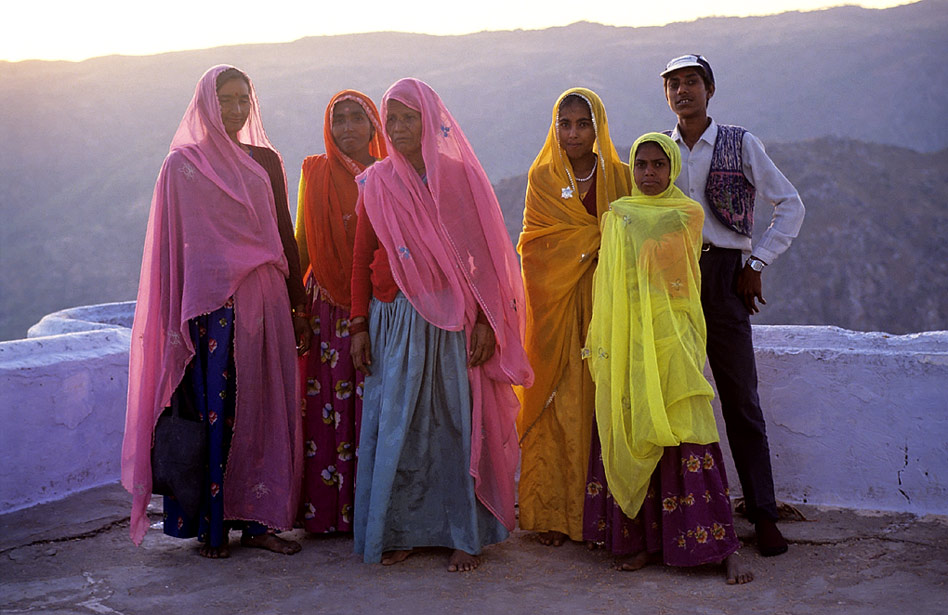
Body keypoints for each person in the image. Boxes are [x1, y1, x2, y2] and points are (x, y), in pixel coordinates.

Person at [121, 65, 310, 558]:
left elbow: (283, 234)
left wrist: (298, 303)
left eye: (243, 99)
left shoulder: (265, 161)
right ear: (206, 103)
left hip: (265, 302)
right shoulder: (183, 167)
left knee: (263, 410)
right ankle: (211, 526)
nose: (235, 109)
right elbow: (171, 247)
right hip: (212, 311)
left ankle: (259, 523)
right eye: (224, 100)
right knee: (216, 414)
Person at [349, 77, 533, 572]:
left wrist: (488, 325)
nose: (401, 127)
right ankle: (402, 529)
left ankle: (463, 533)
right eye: (393, 119)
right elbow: (362, 256)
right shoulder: (377, 183)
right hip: (395, 323)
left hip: (454, 320)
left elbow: (488, 258)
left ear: (429, 121)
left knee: (454, 425)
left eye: (410, 117)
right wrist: (359, 324)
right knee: (401, 428)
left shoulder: (458, 178)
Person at [584, 132, 752, 584]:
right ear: (633, 170)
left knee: (689, 429)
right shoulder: (619, 216)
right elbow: (610, 288)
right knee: (638, 430)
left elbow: (680, 279)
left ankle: (722, 545)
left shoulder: (687, 213)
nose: (650, 173)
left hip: (674, 338)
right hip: (633, 343)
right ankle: (641, 543)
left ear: (672, 169)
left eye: (660, 165)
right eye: (642, 165)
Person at [660, 54, 805, 556]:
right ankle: (681, 515)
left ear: (710, 89)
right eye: (674, 85)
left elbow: (790, 204)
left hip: (726, 278)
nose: (683, 91)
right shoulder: (661, 151)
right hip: (674, 281)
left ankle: (763, 514)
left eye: (692, 82)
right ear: (667, 96)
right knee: (673, 399)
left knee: (741, 400)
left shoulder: (740, 142)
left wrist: (756, 263)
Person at [517, 88, 632, 546]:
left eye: (583, 123)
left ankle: (603, 515)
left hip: (608, 306)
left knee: (603, 405)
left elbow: (633, 236)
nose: (573, 133)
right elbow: (533, 245)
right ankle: (552, 514)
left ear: (598, 125)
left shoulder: (622, 177)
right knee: (559, 405)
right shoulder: (542, 177)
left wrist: (595, 243)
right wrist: (591, 240)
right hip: (559, 309)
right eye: (565, 124)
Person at [295, 90, 387, 534]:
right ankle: (326, 514)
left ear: (374, 127)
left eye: (357, 118)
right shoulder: (313, 173)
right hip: (324, 309)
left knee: (372, 404)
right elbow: (300, 242)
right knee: (324, 407)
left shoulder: (389, 175)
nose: (347, 128)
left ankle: (368, 510)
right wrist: (297, 308)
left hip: (375, 307)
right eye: (339, 120)